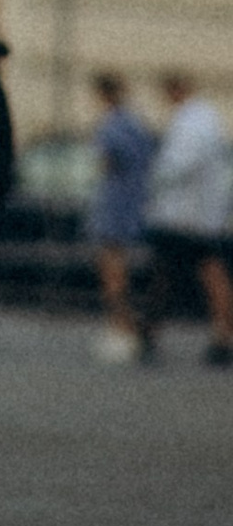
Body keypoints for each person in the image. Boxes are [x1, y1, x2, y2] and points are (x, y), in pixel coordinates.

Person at [143, 73, 233, 363]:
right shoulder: (204, 117)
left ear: (176, 90)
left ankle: (149, 333)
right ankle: (223, 335)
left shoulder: (192, 120)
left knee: (167, 275)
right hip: (199, 216)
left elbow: (179, 164)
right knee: (210, 273)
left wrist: (154, 178)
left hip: (184, 218)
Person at [86, 72, 156, 364]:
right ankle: (126, 327)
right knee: (118, 268)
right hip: (131, 204)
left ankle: (121, 327)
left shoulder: (112, 124)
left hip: (114, 204)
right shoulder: (135, 122)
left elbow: (107, 161)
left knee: (112, 272)